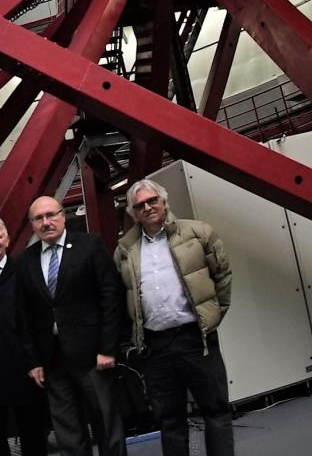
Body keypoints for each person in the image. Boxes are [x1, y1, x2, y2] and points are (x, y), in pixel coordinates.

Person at [114, 179, 234, 456]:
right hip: (156, 348)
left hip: (196, 340)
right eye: (140, 205)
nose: (148, 207)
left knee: (215, 411)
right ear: (133, 213)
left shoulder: (199, 233)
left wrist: (212, 316)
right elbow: (123, 296)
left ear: (164, 202)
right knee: (170, 422)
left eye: (152, 200)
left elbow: (223, 277)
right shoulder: (124, 250)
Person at [15, 196, 127, 456]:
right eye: (39, 218)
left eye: (51, 215)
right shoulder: (25, 261)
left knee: (107, 426)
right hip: (52, 361)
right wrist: (33, 361)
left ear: (63, 216)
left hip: (93, 356)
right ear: (32, 224)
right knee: (68, 434)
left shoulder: (90, 246)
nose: (46, 222)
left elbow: (111, 298)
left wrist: (108, 349)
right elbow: (24, 315)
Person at [0, 217, 50, 456]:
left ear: (7, 240)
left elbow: (36, 317)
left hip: (25, 365)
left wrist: (37, 360)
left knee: (33, 431)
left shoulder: (24, 271)